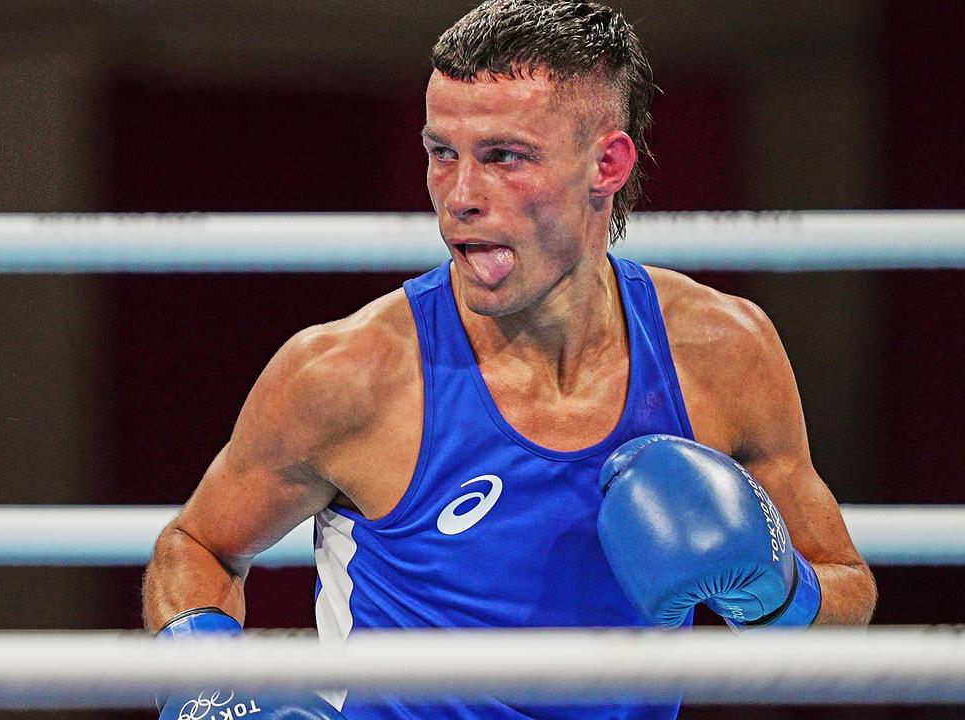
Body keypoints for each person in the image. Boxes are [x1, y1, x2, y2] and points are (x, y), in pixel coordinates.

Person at [143, 1, 877, 718]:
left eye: (504, 157)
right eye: (441, 154)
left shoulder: (722, 354)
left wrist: (779, 591)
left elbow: (848, 589)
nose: (459, 197)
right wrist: (206, 694)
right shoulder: (346, 375)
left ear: (607, 163)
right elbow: (199, 544)